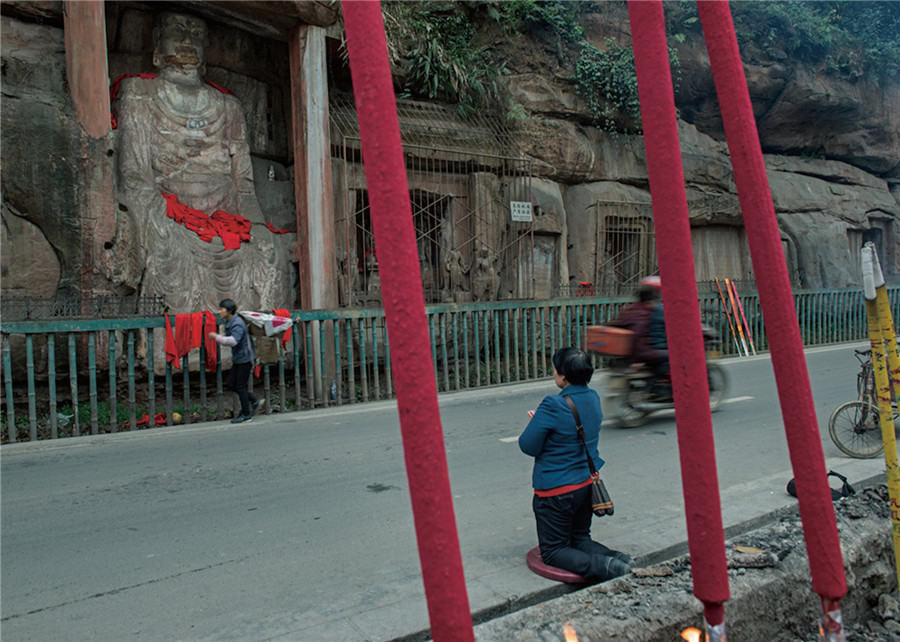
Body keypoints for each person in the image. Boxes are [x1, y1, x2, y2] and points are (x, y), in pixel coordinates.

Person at [113, 11, 289, 313]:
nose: (186, 40)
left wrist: (258, 226)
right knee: (170, 248)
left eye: (196, 34)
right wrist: (162, 218)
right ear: (157, 43)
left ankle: (262, 346)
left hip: (224, 210)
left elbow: (243, 187)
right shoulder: (139, 94)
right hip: (168, 211)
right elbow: (134, 176)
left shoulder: (228, 106)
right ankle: (175, 351)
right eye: (177, 30)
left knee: (267, 252)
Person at [519, 347, 632, 581]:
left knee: (554, 550)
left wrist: (536, 423)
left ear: (563, 376)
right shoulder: (593, 398)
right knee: (580, 539)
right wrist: (542, 422)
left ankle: (607, 567)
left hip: (556, 492)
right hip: (585, 485)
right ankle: (620, 559)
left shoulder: (552, 405)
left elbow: (528, 446)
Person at [612, 276, 669, 397]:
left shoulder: (631, 308)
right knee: (669, 357)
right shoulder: (645, 313)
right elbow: (638, 335)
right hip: (641, 351)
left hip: (633, 350)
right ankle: (656, 386)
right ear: (650, 299)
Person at [209, 299, 260, 424]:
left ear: (229, 311)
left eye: (222, 309)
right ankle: (254, 401)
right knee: (232, 383)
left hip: (244, 358)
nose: (219, 311)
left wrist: (217, 337)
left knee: (239, 385)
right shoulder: (231, 321)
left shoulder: (237, 323)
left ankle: (246, 414)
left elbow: (233, 341)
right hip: (239, 358)